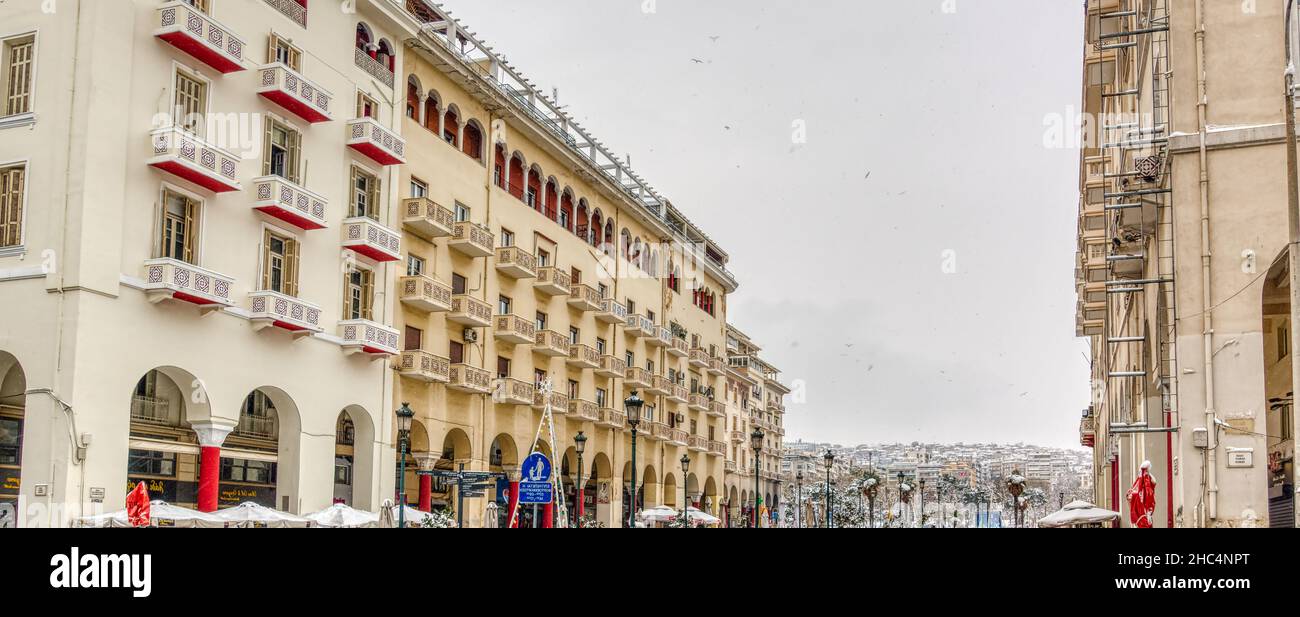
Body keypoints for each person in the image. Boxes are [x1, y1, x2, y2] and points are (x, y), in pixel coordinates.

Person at [1127, 460, 1156, 528]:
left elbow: (1154, 482)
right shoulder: (1138, 487)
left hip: (1144, 514)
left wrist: (1148, 474)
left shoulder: (1146, 484)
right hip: (1142, 515)